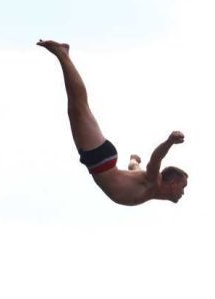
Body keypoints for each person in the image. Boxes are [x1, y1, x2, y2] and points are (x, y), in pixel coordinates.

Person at [37, 40, 189, 206]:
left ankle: (63, 55)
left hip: (101, 161)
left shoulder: (148, 184)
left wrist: (134, 159)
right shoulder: (153, 181)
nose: (183, 192)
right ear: (172, 182)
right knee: (78, 107)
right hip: (101, 162)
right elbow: (155, 159)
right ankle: (62, 54)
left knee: (76, 108)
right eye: (183, 186)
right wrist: (169, 141)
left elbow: (133, 166)